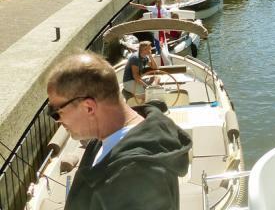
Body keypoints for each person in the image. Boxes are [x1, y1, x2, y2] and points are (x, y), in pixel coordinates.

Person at [46, 52, 191, 210]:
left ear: (88, 107)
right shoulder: (103, 140)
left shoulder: (138, 176)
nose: (57, 120)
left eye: (56, 112)